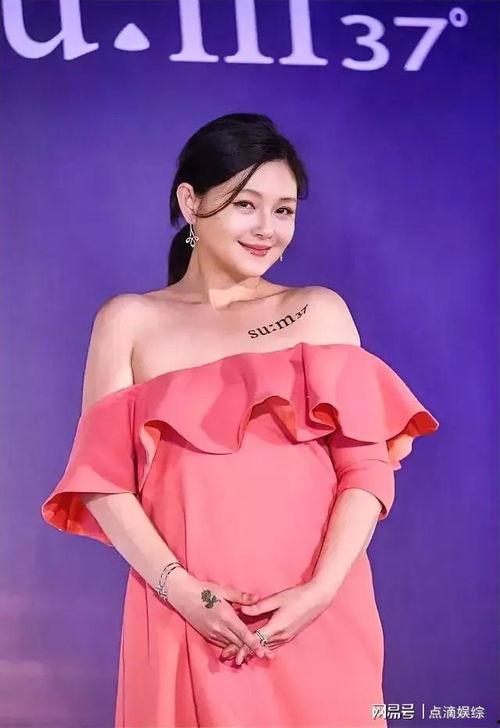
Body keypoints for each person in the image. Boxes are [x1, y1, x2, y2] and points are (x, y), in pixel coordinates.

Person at [41, 112, 439, 728]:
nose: (266, 229)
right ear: (191, 202)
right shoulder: (130, 322)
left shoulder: (318, 311)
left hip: (316, 613)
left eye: (284, 210)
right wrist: (181, 590)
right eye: (246, 205)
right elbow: (103, 482)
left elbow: (365, 467)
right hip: (185, 614)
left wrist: (321, 591)